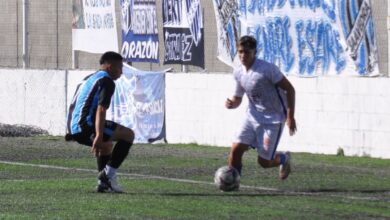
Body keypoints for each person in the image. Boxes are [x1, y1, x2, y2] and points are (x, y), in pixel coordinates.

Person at [225, 35, 297, 180]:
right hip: (252, 116)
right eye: (240, 52)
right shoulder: (238, 72)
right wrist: (232, 103)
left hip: (273, 120)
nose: (243, 55)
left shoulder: (267, 69)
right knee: (236, 149)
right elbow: (238, 97)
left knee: (264, 162)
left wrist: (290, 117)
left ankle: (283, 158)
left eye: (246, 52)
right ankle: (234, 181)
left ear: (254, 52)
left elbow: (290, 89)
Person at [65, 51, 134, 193]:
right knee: (128, 135)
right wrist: (98, 134)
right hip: (85, 126)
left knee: (107, 146)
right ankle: (106, 176)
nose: (121, 72)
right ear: (110, 67)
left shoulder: (90, 77)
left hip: (73, 126)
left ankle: (103, 185)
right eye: (120, 67)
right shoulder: (107, 81)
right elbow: (101, 110)